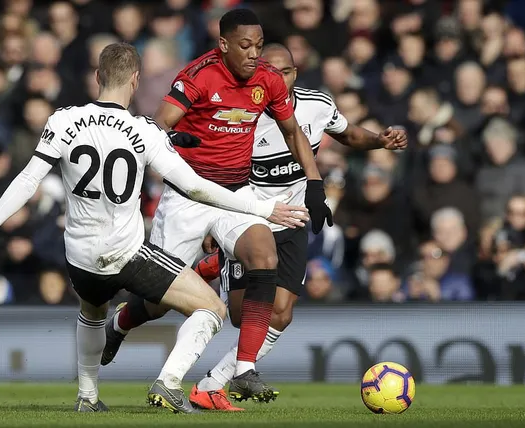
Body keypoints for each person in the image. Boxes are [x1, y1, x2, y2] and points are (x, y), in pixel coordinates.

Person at [0, 42, 308, 414]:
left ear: (97, 77)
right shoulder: (143, 131)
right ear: (136, 81)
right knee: (211, 309)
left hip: (80, 255)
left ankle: (87, 397)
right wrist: (263, 207)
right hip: (128, 254)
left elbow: (27, 180)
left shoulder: (63, 119)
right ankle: (169, 382)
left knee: (92, 312)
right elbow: (196, 188)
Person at [101, 43, 407, 410]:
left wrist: (377, 142)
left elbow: (345, 133)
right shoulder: (245, 112)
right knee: (200, 308)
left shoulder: (316, 105)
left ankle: (216, 382)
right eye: (272, 71)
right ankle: (123, 321)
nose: (280, 79)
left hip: (289, 216)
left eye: (287, 72)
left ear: (296, 72)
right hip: (244, 208)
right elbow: (207, 154)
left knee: (282, 313)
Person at [100, 9, 333, 403]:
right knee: (157, 303)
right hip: (188, 197)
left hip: (236, 194)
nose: (253, 54)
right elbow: (161, 124)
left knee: (263, 256)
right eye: (245, 46)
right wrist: (175, 140)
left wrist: (314, 182)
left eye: (258, 46)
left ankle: (244, 369)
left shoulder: (267, 80)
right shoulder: (198, 76)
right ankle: (119, 324)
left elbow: (293, 131)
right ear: (223, 44)